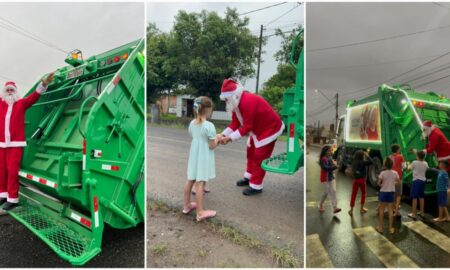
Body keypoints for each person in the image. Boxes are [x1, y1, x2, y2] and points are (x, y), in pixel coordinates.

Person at [218, 79, 284, 196]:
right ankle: (249, 177)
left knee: (259, 157)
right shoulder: (236, 104)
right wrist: (222, 135)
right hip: (257, 130)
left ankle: (256, 185)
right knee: (250, 152)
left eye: (227, 99)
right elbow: (235, 124)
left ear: (233, 96)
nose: (226, 102)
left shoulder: (247, 102)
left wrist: (229, 138)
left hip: (269, 129)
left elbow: (247, 127)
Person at [0, 73, 54, 211]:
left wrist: (43, 84)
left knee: (11, 171)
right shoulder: (1, 104)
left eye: (12, 90)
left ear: (16, 91)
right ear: (4, 92)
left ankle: (12, 199)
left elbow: (34, 96)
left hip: (15, 145)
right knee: (1, 171)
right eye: (8, 90)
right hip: (1, 144)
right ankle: (2, 195)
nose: (10, 92)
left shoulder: (21, 103)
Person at [183, 96, 220, 221]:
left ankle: (187, 206)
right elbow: (212, 145)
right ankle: (200, 212)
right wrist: (218, 139)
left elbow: (194, 136)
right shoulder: (209, 126)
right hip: (203, 157)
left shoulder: (192, 123)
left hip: (194, 155)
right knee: (200, 183)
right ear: (208, 110)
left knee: (190, 180)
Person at [377, 157, 400, 234]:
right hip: (391, 193)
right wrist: (393, 183)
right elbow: (398, 183)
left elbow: (378, 183)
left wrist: (382, 185)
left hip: (383, 192)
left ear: (384, 165)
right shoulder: (395, 173)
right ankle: (390, 228)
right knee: (390, 210)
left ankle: (380, 227)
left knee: (381, 210)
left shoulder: (382, 173)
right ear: (392, 165)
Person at [319, 145, 341, 214]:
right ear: (325, 152)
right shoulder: (323, 159)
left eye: (331, 150)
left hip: (331, 177)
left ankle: (335, 207)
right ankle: (321, 204)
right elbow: (326, 168)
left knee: (333, 191)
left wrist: (335, 164)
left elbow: (332, 165)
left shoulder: (330, 157)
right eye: (329, 150)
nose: (331, 152)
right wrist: (335, 167)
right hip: (325, 178)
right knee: (326, 193)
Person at [348, 150, 372, 216]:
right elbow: (371, 161)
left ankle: (351, 209)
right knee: (363, 193)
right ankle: (361, 209)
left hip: (355, 180)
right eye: (363, 155)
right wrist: (368, 156)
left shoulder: (354, 162)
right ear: (362, 156)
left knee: (353, 195)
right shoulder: (363, 162)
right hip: (362, 180)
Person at [407, 150, 428, 219]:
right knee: (421, 197)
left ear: (417, 156)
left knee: (414, 198)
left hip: (416, 181)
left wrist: (409, 165)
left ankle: (413, 214)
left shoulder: (414, 162)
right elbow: (427, 169)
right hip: (423, 181)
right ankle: (422, 213)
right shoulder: (425, 163)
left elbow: (409, 169)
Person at [390, 144, 406, 217]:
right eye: (399, 149)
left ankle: (393, 208)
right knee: (398, 195)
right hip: (398, 177)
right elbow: (404, 167)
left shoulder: (389, 157)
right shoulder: (400, 156)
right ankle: (396, 211)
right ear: (397, 150)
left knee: (393, 193)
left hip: (391, 177)